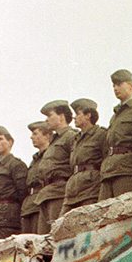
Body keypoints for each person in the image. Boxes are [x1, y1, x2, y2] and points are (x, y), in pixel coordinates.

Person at [99, 69, 132, 199]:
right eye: (114, 86)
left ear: (131, 86)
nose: (116, 88)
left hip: (128, 168)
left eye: (119, 84)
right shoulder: (115, 116)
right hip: (109, 170)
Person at [35, 100, 77, 233]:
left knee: (57, 235)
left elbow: (76, 163)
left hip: (60, 191)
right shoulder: (54, 141)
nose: (46, 120)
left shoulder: (71, 136)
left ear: (61, 116)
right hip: (47, 193)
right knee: (44, 240)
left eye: (50, 115)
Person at [61, 98, 106, 214]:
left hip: (90, 189)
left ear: (88, 115)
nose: (74, 117)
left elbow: (106, 161)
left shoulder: (101, 134)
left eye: (78, 114)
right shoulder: (76, 139)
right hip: (72, 190)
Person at [20, 121, 53, 233]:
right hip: (29, 205)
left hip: (41, 202)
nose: (31, 137)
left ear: (47, 135)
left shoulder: (51, 155)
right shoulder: (34, 160)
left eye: (35, 133)